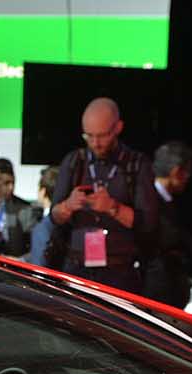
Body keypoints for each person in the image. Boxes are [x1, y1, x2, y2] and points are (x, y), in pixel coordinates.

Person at [46, 97, 159, 292]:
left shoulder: (136, 164)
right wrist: (68, 206)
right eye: (89, 136)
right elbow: (54, 217)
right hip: (76, 268)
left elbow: (148, 223)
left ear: (118, 128)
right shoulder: (74, 162)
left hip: (120, 272)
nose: (95, 143)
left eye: (102, 136)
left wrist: (113, 208)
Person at [142, 140, 192, 306]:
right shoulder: (148, 202)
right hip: (158, 292)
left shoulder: (167, 201)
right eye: (187, 172)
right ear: (176, 171)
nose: (188, 178)